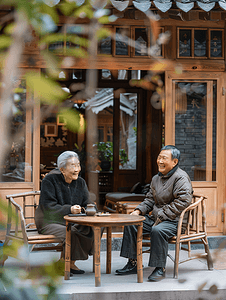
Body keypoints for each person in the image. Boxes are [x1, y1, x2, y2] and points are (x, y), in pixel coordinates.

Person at [116, 145, 193, 281]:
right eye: (159, 157)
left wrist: (162, 215)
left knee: (158, 230)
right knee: (132, 223)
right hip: (157, 218)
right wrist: (138, 211)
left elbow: (183, 201)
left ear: (175, 162)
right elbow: (149, 200)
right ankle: (133, 263)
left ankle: (159, 268)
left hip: (174, 221)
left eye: (164, 158)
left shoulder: (181, 178)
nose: (160, 161)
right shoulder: (156, 179)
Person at [35, 151, 95, 275]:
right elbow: (48, 208)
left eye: (78, 165)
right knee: (71, 232)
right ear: (62, 169)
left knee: (94, 228)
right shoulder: (49, 180)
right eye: (73, 166)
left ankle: (68, 262)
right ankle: (66, 263)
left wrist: (88, 209)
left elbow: (88, 203)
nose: (77, 169)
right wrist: (70, 209)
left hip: (72, 221)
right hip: (48, 221)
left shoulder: (81, 182)